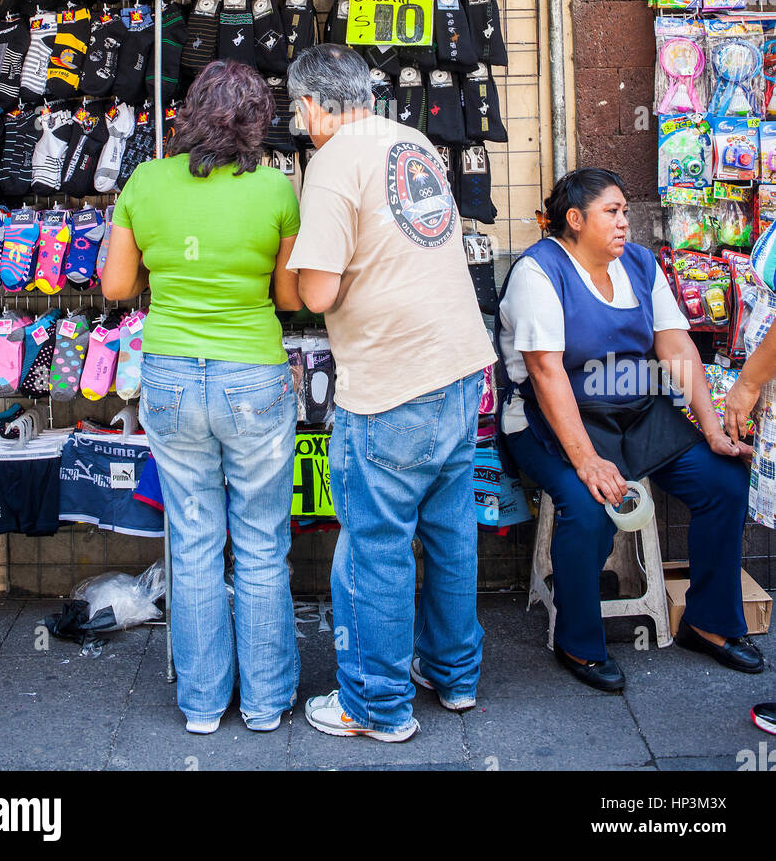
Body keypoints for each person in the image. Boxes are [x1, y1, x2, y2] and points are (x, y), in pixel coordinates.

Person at [286, 44, 496, 742]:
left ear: (315, 105)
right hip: (460, 363)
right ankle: (454, 675)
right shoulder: (411, 141)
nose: (299, 119)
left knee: (374, 545)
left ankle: (375, 705)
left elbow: (316, 289)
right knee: (449, 530)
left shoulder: (332, 163)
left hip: (392, 380)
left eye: (299, 107)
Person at [497, 168, 762, 693]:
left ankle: (709, 622)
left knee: (723, 482)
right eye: (611, 213)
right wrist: (587, 461)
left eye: (624, 212)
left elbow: (676, 348)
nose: (624, 223)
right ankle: (577, 640)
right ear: (574, 220)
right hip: (549, 419)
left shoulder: (640, 264)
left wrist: (710, 429)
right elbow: (548, 375)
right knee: (588, 505)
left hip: (636, 412)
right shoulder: (540, 271)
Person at [101, 61, 302, 735]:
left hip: (170, 378)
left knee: (191, 541)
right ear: (257, 123)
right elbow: (288, 299)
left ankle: (202, 704)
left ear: (188, 114)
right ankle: (268, 703)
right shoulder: (277, 190)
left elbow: (116, 287)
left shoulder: (144, 182)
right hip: (252, 375)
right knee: (262, 543)